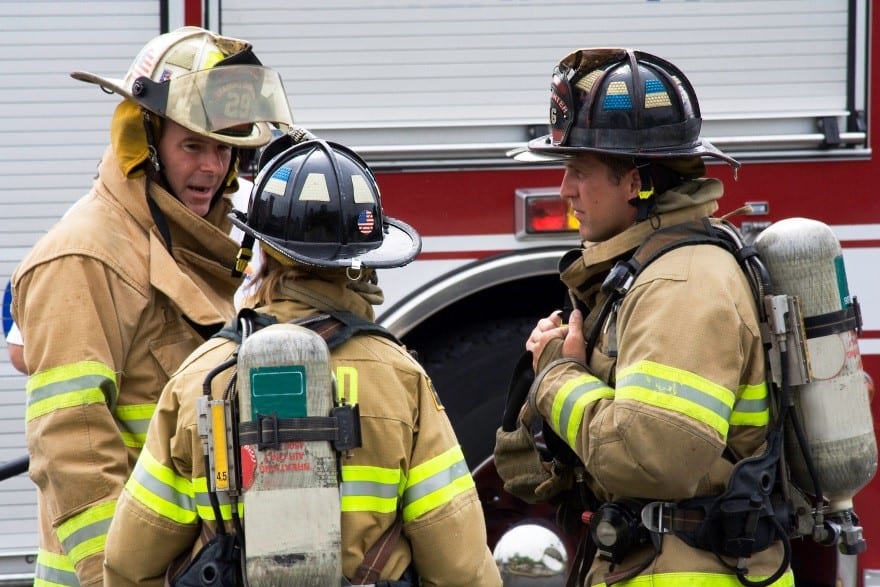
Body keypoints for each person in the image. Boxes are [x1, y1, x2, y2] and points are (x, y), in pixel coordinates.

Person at [103, 137, 503, 586]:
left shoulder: (201, 377)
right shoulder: (400, 380)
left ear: (263, 252)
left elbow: (128, 564)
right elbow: (461, 568)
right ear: (363, 263)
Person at [493, 48, 794, 586]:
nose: (565, 190)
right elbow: (530, 475)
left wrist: (558, 379)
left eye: (579, 170)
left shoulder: (683, 285)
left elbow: (650, 456)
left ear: (635, 182)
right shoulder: (640, 275)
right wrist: (547, 374)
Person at [10, 26, 293, 586]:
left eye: (225, 147)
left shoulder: (191, 243)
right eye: (193, 145)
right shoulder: (85, 256)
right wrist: (116, 577)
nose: (213, 168)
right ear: (144, 142)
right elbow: (71, 443)